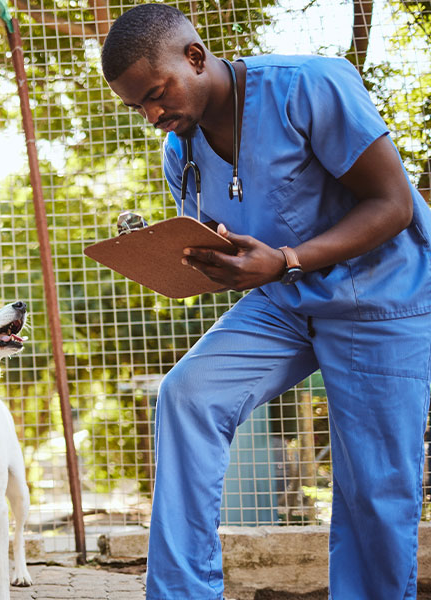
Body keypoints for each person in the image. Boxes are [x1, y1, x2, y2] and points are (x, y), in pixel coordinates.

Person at [101, 5, 431, 599]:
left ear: (195, 58)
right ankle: (181, 593)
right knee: (189, 395)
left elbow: (393, 205)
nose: (152, 116)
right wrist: (203, 261)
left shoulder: (309, 85)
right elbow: (237, 241)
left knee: (373, 482)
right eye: (138, 108)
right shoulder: (181, 150)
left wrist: (282, 260)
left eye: (156, 94)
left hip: (381, 295)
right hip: (286, 301)